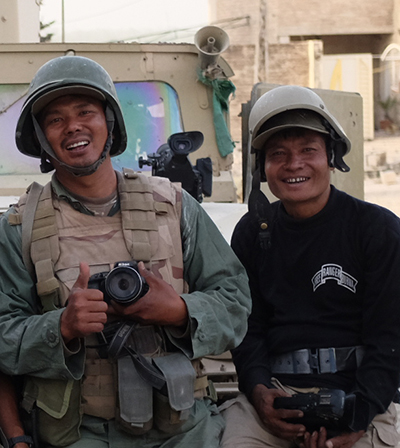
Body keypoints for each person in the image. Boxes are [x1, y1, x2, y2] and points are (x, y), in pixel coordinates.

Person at [0, 55, 251, 448]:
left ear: (109, 122)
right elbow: (3, 334)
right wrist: (62, 326)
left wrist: (179, 311)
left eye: (85, 111)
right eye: (55, 120)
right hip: (79, 433)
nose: (73, 127)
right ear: (42, 137)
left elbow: (236, 301)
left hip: (182, 428)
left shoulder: (176, 206)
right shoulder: (20, 228)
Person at [220, 85, 400, 448]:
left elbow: (390, 337)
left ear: (331, 156)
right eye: (278, 154)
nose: (294, 164)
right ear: (263, 168)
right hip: (276, 397)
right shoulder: (252, 232)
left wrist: (358, 417)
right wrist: (259, 394)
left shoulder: (377, 229)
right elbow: (246, 327)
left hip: (360, 396)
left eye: (308, 150)